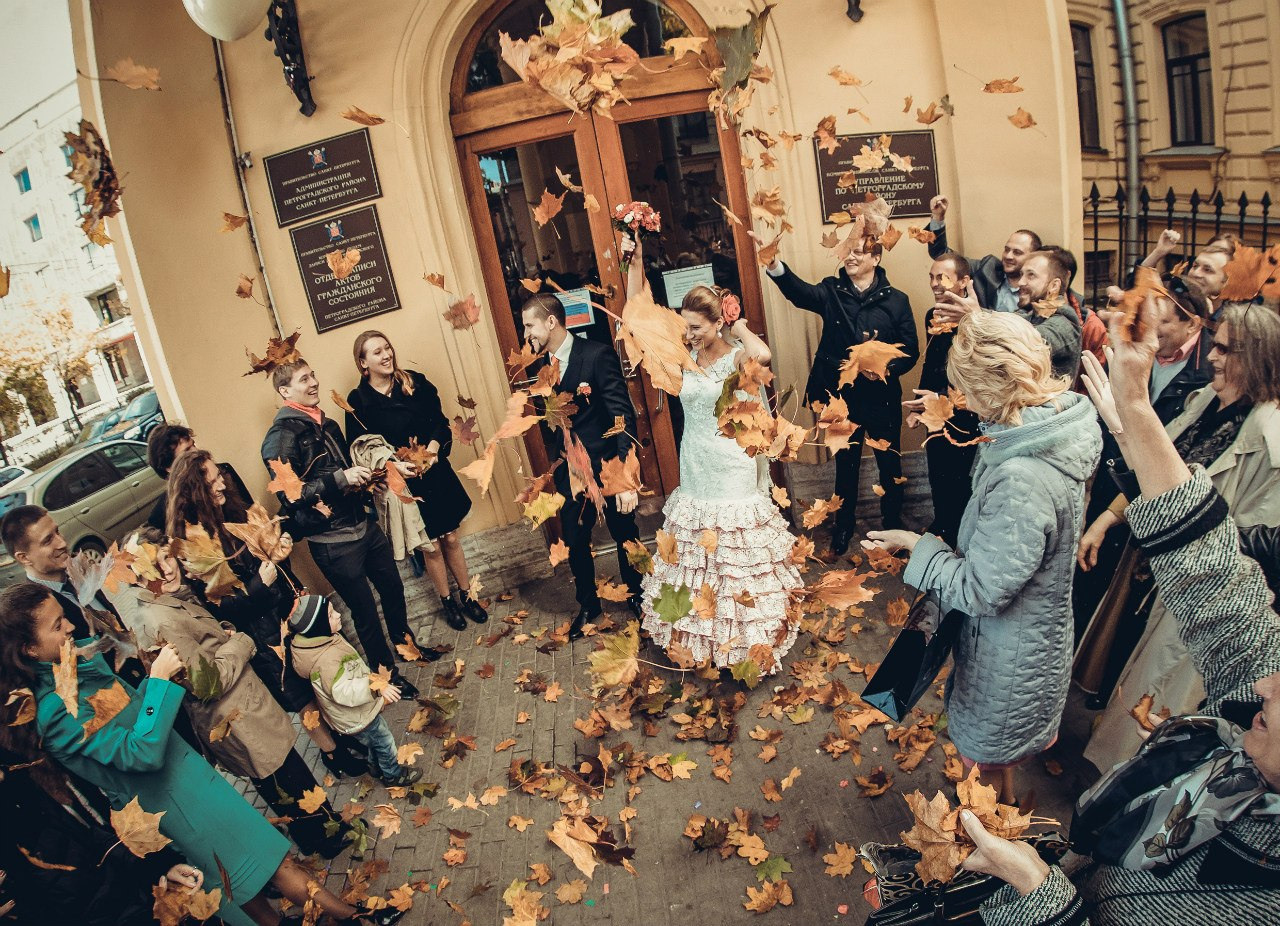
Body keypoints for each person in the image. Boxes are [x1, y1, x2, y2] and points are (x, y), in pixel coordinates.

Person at [958, 292, 1280, 926]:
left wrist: (1042, 896)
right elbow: (1215, 581)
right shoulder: (1257, 713)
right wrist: (1132, 406)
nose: (1265, 684)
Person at [0, 582, 404, 925]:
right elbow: (138, 752)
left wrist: (149, 678)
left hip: (190, 785)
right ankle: (354, 917)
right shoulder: (55, 712)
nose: (70, 627)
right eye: (57, 625)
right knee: (258, 871)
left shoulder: (76, 668)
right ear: (29, 649)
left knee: (247, 876)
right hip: (172, 807)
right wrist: (158, 682)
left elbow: (130, 713)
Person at [863, 310, 1102, 804]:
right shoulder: (1050, 433)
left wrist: (916, 546)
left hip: (1008, 660)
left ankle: (990, 843)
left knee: (984, 773)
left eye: (966, 388)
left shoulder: (1022, 478)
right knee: (994, 762)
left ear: (992, 390)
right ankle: (1001, 818)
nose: (963, 400)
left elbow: (982, 590)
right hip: (1028, 641)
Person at [1082, 301, 1280, 772]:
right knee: (1127, 669)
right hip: (1153, 568)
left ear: (1257, 357)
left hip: (1199, 590)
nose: (1211, 356)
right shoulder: (1204, 401)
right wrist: (1108, 514)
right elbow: (1157, 466)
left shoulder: (1270, 440)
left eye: (1225, 350)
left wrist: (1179, 533)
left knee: (1161, 694)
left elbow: (1247, 549)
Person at [114, 527, 352, 858]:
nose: (166, 569)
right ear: (137, 574)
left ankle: (315, 835)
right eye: (153, 565)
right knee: (288, 779)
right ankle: (328, 836)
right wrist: (241, 640)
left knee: (281, 779)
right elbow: (208, 684)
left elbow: (201, 643)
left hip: (242, 711)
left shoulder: (165, 598)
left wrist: (221, 633)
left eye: (167, 557)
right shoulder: (159, 619)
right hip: (235, 717)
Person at [627, 242, 804, 672]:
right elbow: (638, 320)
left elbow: (762, 355)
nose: (689, 334)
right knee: (698, 553)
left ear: (717, 322)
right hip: (696, 462)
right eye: (685, 325)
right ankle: (701, 644)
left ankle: (746, 647)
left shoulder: (736, 357)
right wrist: (635, 262)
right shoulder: (684, 357)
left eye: (696, 327)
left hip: (731, 464)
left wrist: (738, 325)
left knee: (733, 554)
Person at [165, 449, 367, 777]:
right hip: (263, 634)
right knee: (300, 697)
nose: (222, 484)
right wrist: (260, 584)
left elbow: (267, 546)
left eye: (219, 477)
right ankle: (332, 753)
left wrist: (279, 547)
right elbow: (219, 607)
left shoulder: (233, 510)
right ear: (193, 492)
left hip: (288, 610)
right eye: (212, 482)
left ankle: (342, 737)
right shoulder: (191, 546)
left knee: (318, 677)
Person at [1072, 275, 1213, 668]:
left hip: (1157, 496)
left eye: (1164, 321)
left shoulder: (1205, 375)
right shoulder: (1136, 349)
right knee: (1092, 572)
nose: (1154, 329)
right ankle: (1078, 654)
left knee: (1127, 596)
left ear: (1192, 324)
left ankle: (1104, 671)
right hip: (1116, 479)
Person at [261, 358, 422, 698]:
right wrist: (340, 478)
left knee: (393, 589)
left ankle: (405, 646)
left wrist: (374, 479)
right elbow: (290, 495)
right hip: (333, 543)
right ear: (285, 391)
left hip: (363, 527)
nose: (313, 382)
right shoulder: (279, 438)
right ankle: (386, 676)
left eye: (313, 375)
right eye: (304, 379)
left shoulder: (328, 424)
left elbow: (347, 475)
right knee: (365, 613)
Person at [754, 229, 919, 554]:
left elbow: (910, 349)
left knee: (890, 467)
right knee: (845, 467)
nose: (851, 256)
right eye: (848, 251)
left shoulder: (897, 300)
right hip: (841, 398)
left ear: (876, 257)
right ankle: (843, 528)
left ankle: (892, 528)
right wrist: (773, 264)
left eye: (859, 251)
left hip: (882, 398)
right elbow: (800, 294)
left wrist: (885, 369)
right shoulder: (832, 290)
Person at [345, 330, 487, 632]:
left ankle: (468, 595)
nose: (386, 355)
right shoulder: (357, 401)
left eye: (387, 348)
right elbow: (361, 450)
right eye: (377, 352)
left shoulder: (414, 382)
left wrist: (432, 451)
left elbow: (439, 423)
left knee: (450, 538)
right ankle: (447, 602)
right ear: (363, 362)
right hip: (403, 483)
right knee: (430, 546)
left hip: (435, 473)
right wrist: (392, 467)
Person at [520, 293, 643, 639]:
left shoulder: (596, 355)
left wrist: (625, 476)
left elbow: (621, 416)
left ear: (550, 322)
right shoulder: (541, 368)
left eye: (529, 325)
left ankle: (637, 595)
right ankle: (588, 606)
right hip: (571, 471)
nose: (525, 333)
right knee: (575, 539)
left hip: (607, 464)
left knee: (625, 532)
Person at [287, 594, 423, 786]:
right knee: (384, 741)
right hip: (357, 715)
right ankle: (393, 774)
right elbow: (345, 691)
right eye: (331, 614)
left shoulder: (324, 641)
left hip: (354, 715)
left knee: (374, 742)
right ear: (319, 627)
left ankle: (375, 766)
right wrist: (376, 687)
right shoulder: (326, 662)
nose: (338, 614)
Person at [909, 252, 982, 547]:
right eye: (931, 277)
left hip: (966, 413)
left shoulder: (978, 321)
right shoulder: (933, 315)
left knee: (959, 478)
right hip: (934, 409)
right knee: (937, 473)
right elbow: (931, 363)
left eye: (943, 277)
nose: (935, 283)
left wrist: (941, 398)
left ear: (964, 282)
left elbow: (977, 376)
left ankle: (960, 537)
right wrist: (919, 406)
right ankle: (942, 527)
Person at [2, 504, 121, 640]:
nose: (62, 543)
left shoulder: (79, 573)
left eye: (57, 532)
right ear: (24, 558)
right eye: (48, 541)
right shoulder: (36, 610)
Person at [925, 194, 1040, 312]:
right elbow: (941, 254)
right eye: (1007, 249)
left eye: (1017, 252)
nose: (1008, 256)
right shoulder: (987, 268)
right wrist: (938, 217)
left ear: (1033, 257)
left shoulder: (1039, 288)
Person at [145, 423, 250, 530]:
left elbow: (252, 513)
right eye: (187, 452)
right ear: (169, 468)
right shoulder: (162, 514)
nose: (196, 452)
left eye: (193, 445)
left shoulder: (224, 471)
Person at [1141, 228, 1236, 316]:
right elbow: (1138, 295)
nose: (1196, 273)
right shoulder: (1176, 298)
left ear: (1227, 281)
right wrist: (1158, 252)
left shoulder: (1235, 319)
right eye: (1195, 266)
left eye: (1207, 270)